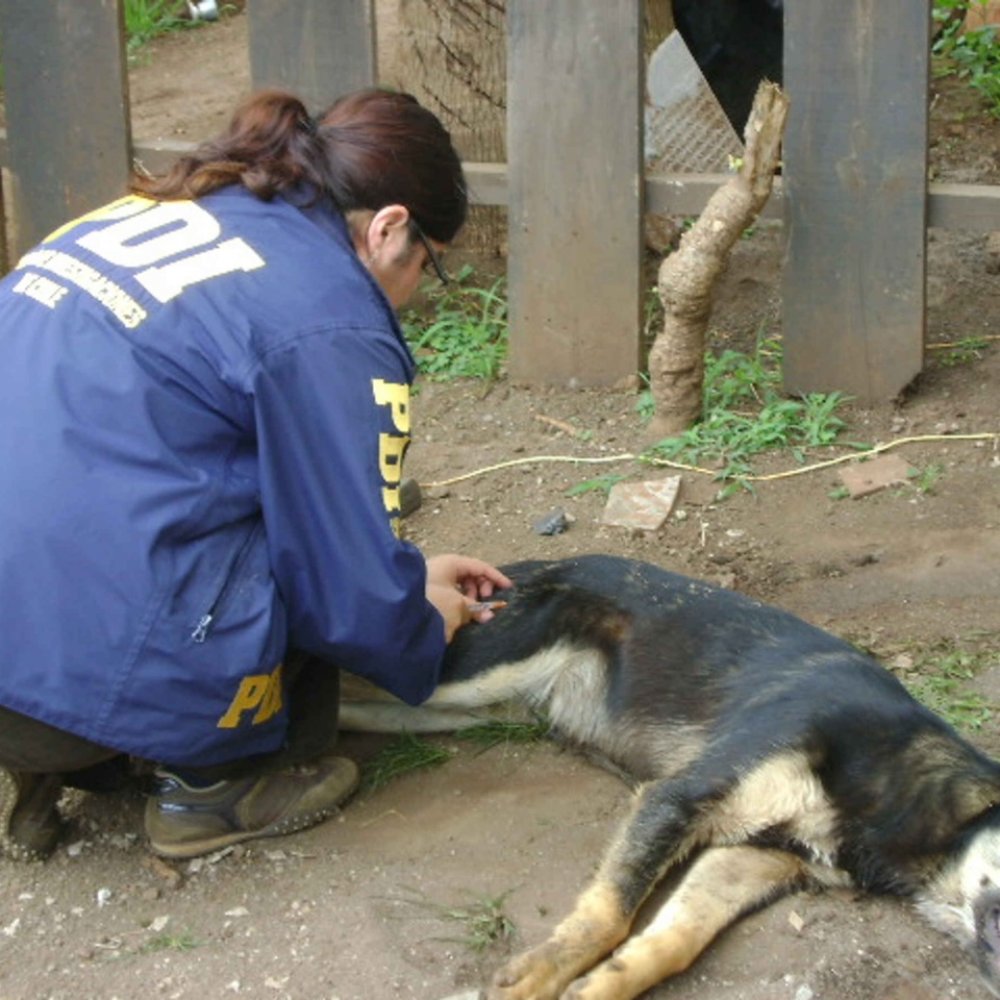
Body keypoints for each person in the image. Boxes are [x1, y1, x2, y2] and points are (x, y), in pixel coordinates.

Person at [0, 87, 511, 861]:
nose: (416, 294)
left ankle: (44, 763)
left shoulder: (150, 209)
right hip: (64, 686)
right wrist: (418, 611)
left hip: (29, 641)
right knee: (296, 543)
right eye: (429, 268)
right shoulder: (328, 314)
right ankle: (213, 787)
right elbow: (342, 585)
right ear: (389, 228)